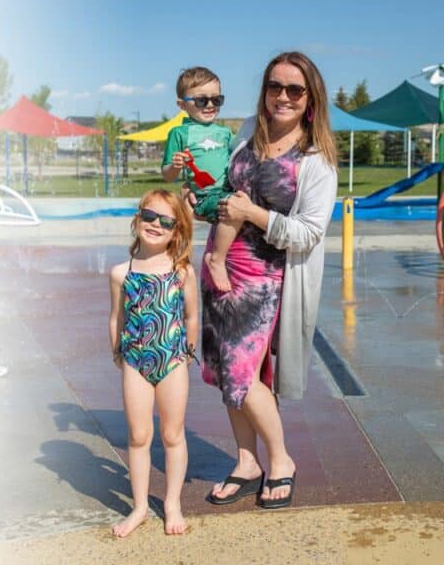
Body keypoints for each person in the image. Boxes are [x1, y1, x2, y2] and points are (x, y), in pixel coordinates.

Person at [185, 51, 337, 509]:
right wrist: (205, 201)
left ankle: (282, 460)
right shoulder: (248, 132)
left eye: (294, 89)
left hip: (266, 279)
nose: (283, 96)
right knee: (222, 371)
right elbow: (230, 192)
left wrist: (254, 213)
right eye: (276, 86)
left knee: (241, 371)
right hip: (221, 262)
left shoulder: (316, 160)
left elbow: (309, 232)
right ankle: (247, 462)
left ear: (310, 98)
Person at [108, 189, 199, 537]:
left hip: (173, 360)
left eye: (165, 221)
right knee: (138, 435)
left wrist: (187, 353)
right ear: (137, 219)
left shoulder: (181, 272)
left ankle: (172, 503)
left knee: (173, 434)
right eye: (149, 216)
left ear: (176, 231)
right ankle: (141, 507)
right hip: (135, 361)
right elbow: (116, 318)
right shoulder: (121, 273)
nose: (155, 225)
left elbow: (192, 316)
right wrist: (118, 353)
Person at [161, 66, 239, 293]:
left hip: (226, 189)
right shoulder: (180, 133)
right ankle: (217, 259)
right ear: (182, 104)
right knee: (232, 207)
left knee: (239, 202)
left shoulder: (224, 133)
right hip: (205, 195)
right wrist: (174, 167)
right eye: (201, 101)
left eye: (217, 99)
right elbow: (167, 175)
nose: (210, 105)